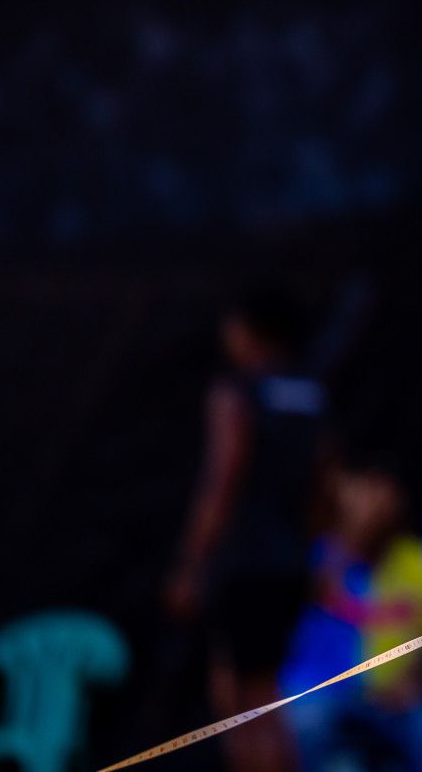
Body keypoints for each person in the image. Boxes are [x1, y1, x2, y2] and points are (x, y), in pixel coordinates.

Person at [165, 289, 329, 772]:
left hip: (245, 565)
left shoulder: (236, 393)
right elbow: (323, 482)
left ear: (250, 330)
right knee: (267, 694)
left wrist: (190, 564)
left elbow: (223, 479)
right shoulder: (312, 395)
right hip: (290, 564)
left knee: (240, 704)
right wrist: (314, 554)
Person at [281, 451, 422, 772]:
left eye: (382, 491)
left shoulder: (419, 561)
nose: (374, 501)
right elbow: (323, 589)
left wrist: (415, 679)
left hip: (396, 704)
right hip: (320, 698)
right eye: (365, 489)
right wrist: (353, 529)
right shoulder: (322, 553)